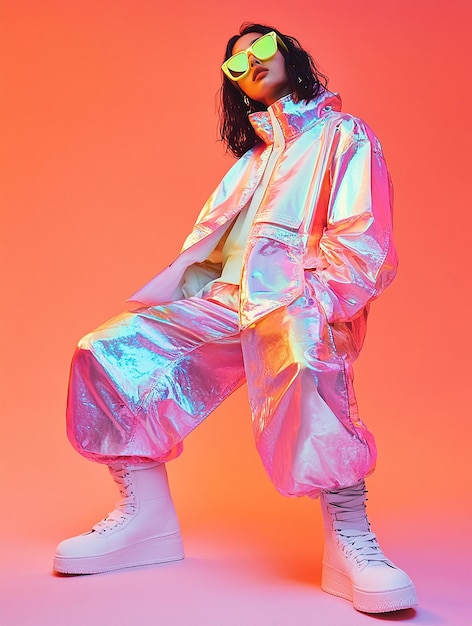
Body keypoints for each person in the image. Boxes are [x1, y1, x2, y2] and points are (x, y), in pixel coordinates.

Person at [54, 23, 417, 614]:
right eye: (234, 64)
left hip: (297, 298)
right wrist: (183, 301)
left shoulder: (341, 135)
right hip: (227, 300)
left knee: (305, 360)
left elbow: (364, 238)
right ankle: (144, 518)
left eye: (262, 49)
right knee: (106, 351)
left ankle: (350, 539)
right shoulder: (250, 162)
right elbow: (212, 249)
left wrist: (319, 300)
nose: (249, 64)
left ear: (290, 54)